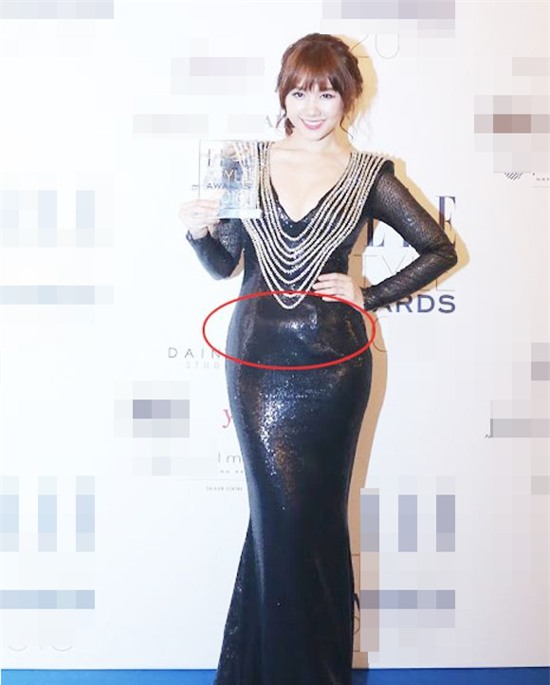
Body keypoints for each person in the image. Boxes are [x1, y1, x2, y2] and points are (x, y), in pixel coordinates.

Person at [179, 33, 457, 685]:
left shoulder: (370, 174)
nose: (312, 107)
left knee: (318, 522)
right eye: (300, 92)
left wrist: (369, 293)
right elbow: (223, 264)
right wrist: (196, 233)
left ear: (348, 98)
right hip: (257, 365)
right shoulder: (245, 163)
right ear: (283, 94)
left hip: (335, 368)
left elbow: (439, 249)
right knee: (276, 521)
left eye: (327, 94)